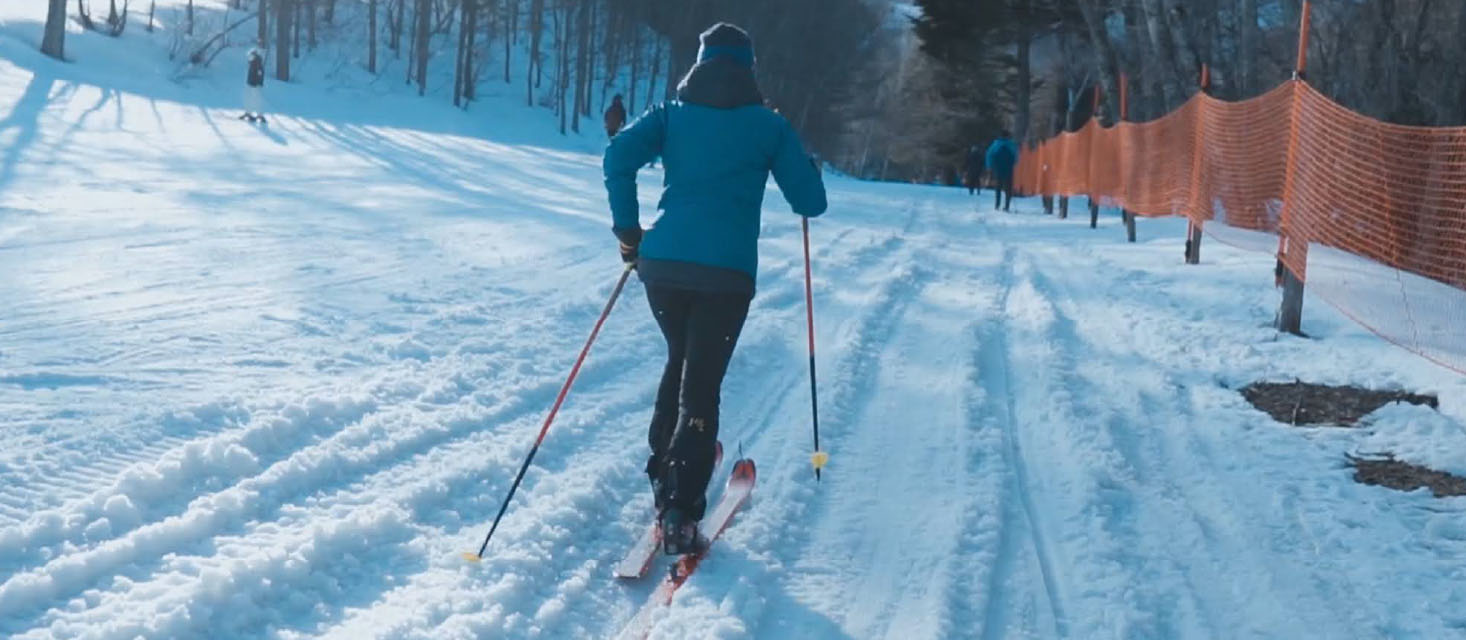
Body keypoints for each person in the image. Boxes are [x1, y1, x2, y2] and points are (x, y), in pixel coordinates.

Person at [603, 22, 827, 555]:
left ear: (699, 64)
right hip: (725, 276)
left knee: (681, 359)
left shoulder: (668, 115)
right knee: (700, 380)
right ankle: (679, 506)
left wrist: (629, 232)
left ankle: (667, 473)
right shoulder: (767, 126)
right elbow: (811, 203)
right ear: (749, 69)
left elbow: (617, 157)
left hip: (662, 266)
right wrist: (806, 169)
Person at [985, 132, 1018, 211]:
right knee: (1008, 188)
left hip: (998, 168)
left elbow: (989, 155)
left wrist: (989, 166)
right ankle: (1007, 205)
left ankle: (997, 205)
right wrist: (1013, 164)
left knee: (998, 187)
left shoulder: (995, 144)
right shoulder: (1011, 144)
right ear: (1008, 136)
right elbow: (1016, 156)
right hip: (1008, 169)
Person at [241, 47, 266, 124]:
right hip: (250, 83)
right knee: (248, 98)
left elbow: (260, 74)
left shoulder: (257, 63)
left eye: (250, 56)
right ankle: (248, 113)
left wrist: (258, 83)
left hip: (255, 85)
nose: (249, 58)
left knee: (257, 99)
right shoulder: (253, 63)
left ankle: (260, 115)